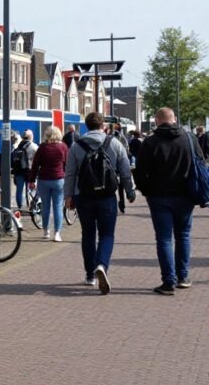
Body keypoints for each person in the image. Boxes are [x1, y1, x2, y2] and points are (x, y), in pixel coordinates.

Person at [64, 112, 135, 295]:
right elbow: (125, 170)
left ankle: (90, 275)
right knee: (107, 234)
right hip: (107, 196)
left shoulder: (76, 146)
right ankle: (102, 265)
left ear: (86, 126)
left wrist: (68, 196)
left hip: (84, 196)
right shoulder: (115, 143)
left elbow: (70, 173)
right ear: (103, 125)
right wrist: (129, 191)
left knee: (88, 234)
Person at [134, 108, 201, 295]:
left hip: (159, 197)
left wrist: (146, 191)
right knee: (183, 236)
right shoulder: (189, 139)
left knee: (164, 239)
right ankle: (183, 277)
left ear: (156, 121)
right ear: (175, 119)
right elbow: (200, 164)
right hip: (186, 195)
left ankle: (168, 282)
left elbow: (140, 171)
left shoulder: (150, 142)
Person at [29, 126, 69, 241]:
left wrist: (32, 180)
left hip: (44, 180)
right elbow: (67, 164)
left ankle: (46, 231)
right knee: (58, 207)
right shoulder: (63, 147)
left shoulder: (42, 147)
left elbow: (35, 165)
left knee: (45, 207)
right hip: (59, 180)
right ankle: (57, 234)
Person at [11, 129, 38, 211]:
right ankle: (32, 205)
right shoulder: (34, 146)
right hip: (29, 171)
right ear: (31, 137)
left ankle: (20, 206)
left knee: (19, 189)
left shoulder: (18, 145)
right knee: (31, 189)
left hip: (18, 170)